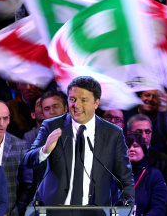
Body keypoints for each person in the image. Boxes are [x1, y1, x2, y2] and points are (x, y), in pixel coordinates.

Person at [24, 76, 135, 205]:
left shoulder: (113, 133)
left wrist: (128, 206)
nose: (77, 105)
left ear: (96, 103)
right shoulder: (51, 126)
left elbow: (125, 179)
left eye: (84, 100)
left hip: (95, 212)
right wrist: (44, 150)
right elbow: (28, 161)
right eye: (72, 99)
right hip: (54, 209)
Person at [0, 101, 31, 215]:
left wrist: (16, 211)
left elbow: (28, 185)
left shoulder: (20, 146)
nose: (1, 123)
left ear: (9, 120)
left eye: (5, 118)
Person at [127, 114, 167, 209]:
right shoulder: (120, 159)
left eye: (148, 132)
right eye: (139, 132)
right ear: (129, 133)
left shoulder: (164, 160)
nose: (144, 136)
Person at [126, 134, 167, 216]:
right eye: (127, 146)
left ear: (144, 152)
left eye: (135, 146)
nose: (131, 149)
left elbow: (158, 209)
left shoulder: (154, 175)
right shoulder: (112, 175)